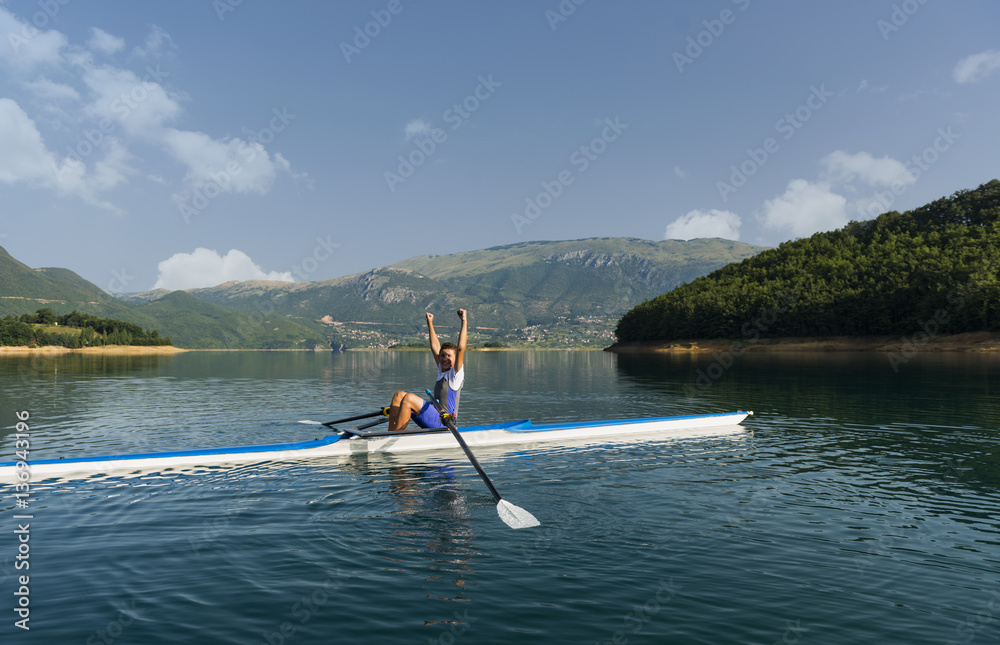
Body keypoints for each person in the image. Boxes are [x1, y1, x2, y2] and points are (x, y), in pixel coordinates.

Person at [387, 309, 467, 431]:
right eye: (442, 355)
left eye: (449, 356)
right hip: (433, 417)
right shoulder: (442, 370)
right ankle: (390, 433)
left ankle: (396, 436)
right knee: (399, 396)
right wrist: (430, 323)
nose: (445, 359)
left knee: (409, 398)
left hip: (444, 423)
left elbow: (461, 348)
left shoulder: (455, 375)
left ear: (456, 358)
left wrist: (464, 321)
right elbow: (435, 346)